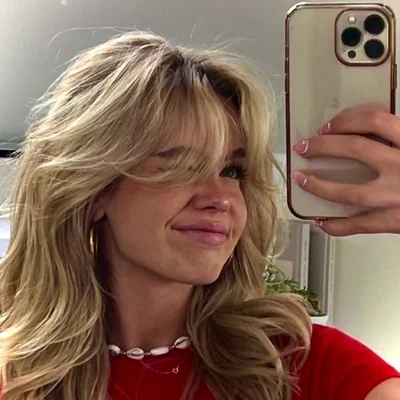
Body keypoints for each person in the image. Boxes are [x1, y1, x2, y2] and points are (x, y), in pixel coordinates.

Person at [0, 31, 399, 400]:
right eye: (182, 167)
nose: (220, 199)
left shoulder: (302, 364)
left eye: (232, 171)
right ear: (95, 191)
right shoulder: (16, 376)